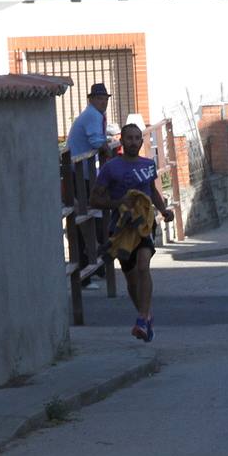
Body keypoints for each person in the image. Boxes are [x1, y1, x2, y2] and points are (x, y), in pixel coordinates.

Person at [91, 122, 174, 342]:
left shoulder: (148, 164)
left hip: (144, 225)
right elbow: (95, 199)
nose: (134, 142)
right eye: (129, 138)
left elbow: (153, 192)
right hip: (121, 229)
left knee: (143, 264)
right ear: (122, 141)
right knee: (131, 279)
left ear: (142, 141)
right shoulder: (110, 168)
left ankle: (141, 318)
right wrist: (119, 202)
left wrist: (164, 210)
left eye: (138, 138)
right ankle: (146, 316)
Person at [66, 83, 110, 159]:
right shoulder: (93, 114)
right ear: (91, 100)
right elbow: (97, 142)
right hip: (79, 162)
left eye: (106, 99)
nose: (104, 102)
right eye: (100, 98)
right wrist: (111, 155)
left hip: (79, 159)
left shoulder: (94, 113)